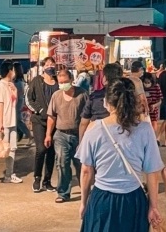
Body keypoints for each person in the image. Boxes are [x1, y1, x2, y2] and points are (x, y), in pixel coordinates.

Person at [76, 78, 164, 232]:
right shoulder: (145, 129)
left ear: (107, 102)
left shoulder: (93, 129)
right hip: (133, 200)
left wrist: (84, 202)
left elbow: (86, 171)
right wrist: (153, 206)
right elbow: (152, 173)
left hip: (102, 200)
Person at [46, 68, 88, 203]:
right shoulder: (56, 96)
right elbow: (51, 117)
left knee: (81, 164)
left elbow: (88, 117)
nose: (63, 84)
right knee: (62, 163)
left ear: (71, 80)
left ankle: (86, 190)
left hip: (79, 135)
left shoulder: (82, 95)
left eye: (65, 82)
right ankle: (63, 193)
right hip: (60, 135)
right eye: (60, 82)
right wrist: (48, 134)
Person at [27, 57, 59, 193]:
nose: (50, 66)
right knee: (41, 149)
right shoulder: (36, 81)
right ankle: (37, 178)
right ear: (43, 66)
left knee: (52, 151)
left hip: (56, 121)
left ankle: (47, 181)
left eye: (52, 64)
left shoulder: (58, 82)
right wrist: (39, 110)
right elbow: (29, 99)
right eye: (47, 64)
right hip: (39, 120)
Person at [80, 63, 123, 137]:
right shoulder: (127, 95)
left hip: (97, 135)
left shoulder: (95, 96)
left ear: (105, 78)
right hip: (122, 136)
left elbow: (84, 123)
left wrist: (81, 142)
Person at [13, 62, 31, 145]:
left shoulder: (19, 82)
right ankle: (20, 134)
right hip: (17, 102)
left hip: (17, 103)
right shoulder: (18, 80)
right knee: (16, 120)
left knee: (18, 120)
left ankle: (29, 135)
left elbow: (19, 94)